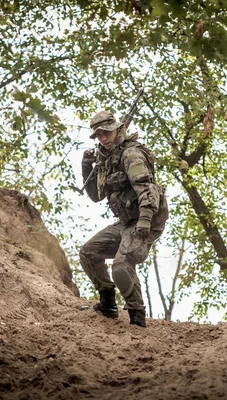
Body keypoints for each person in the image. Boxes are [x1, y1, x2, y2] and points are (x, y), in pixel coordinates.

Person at [79, 110, 168, 327]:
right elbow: (96, 196)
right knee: (88, 252)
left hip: (146, 218)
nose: (103, 138)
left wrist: (145, 221)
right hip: (126, 221)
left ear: (118, 129)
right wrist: (86, 167)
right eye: (98, 135)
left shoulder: (131, 154)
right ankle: (108, 304)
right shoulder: (106, 159)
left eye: (106, 132)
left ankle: (137, 316)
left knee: (121, 264)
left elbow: (147, 189)